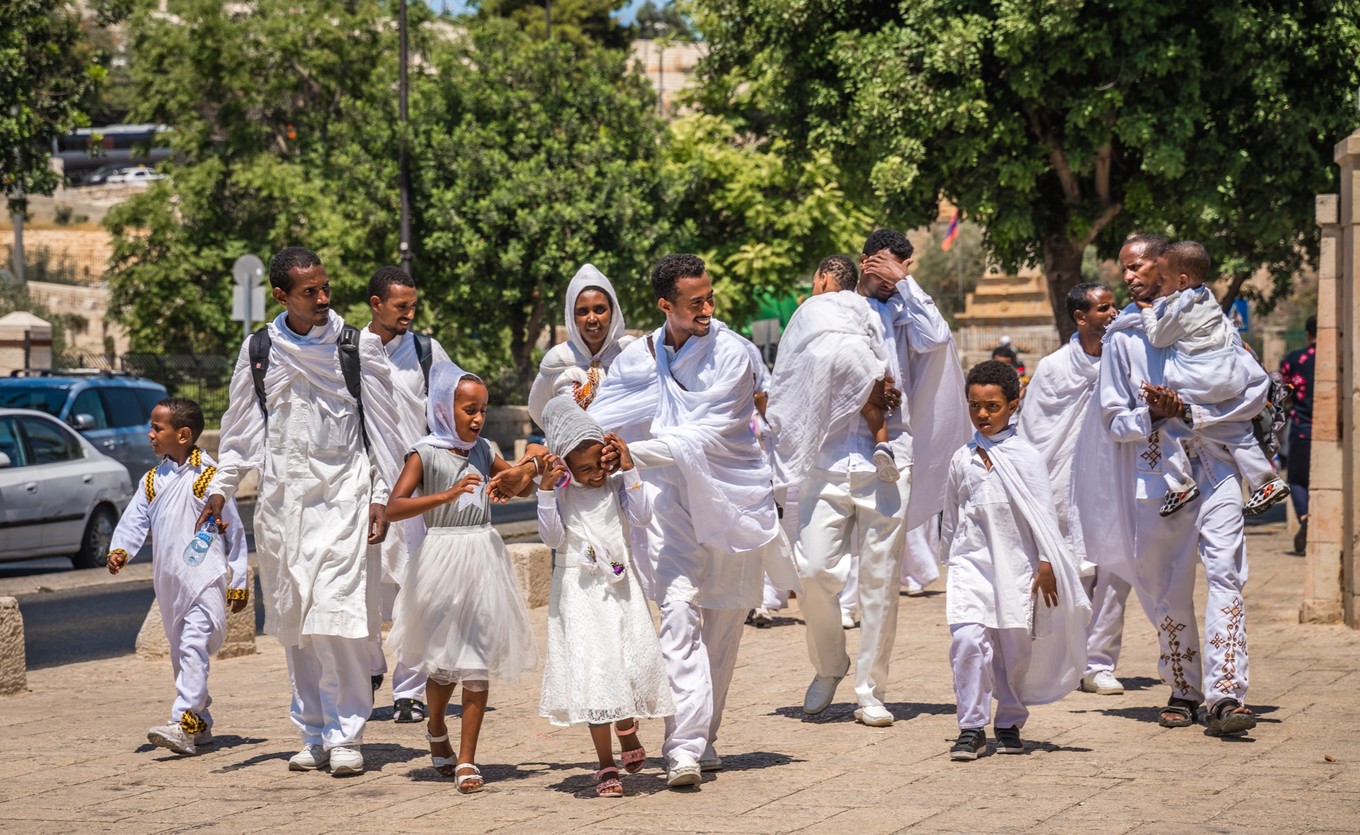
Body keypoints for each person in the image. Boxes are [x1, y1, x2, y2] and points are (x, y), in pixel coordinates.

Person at [588, 253, 798, 787]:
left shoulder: (733, 354)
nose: (707, 308)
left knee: (722, 630)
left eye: (710, 297)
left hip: (731, 503)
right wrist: (576, 448)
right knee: (679, 614)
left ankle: (703, 738)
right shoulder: (638, 358)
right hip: (667, 508)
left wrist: (632, 454)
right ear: (666, 306)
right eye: (694, 302)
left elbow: (704, 434)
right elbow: (601, 417)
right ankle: (681, 747)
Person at [201, 246, 406, 776]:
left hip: (345, 502)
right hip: (282, 510)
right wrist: (221, 490)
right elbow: (241, 431)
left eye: (324, 288)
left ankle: (347, 736)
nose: (321, 298)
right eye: (308, 291)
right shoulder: (259, 351)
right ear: (280, 296)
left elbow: (385, 434)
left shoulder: (356, 347)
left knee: (338, 620)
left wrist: (383, 497)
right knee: (296, 625)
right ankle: (312, 731)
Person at [770, 228, 967, 728]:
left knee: (880, 581)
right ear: (864, 262)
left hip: (889, 458)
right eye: (884, 265)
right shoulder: (825, 310)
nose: (890, 276)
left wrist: (907, 285)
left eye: (901, 266)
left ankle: (870, 689)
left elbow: (938, 340)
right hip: (828, 455)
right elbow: (796, 371)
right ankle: (829, 664)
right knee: (812, 570)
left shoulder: (904, 312)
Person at [1098, 234, 1263, 737]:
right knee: (1167, 584)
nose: (1129, 276)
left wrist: (1190, 411)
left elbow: (1253, 390)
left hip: (1217, 467)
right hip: (1160, 478)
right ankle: (1182, 686)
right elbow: (1112, 419)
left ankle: (1226, 693)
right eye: (1123, 268)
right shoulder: (1123, 338)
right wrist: (1152, 413)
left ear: (1168, 270)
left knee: (1225, 571)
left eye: (1139, 266)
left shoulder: (1212, 324)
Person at [385, 363, 541, 793]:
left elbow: (520, 485)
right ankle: (436, 727)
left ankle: (467, 760)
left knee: (475, 662)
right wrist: (446, 495)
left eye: (482, 410)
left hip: (483, 557)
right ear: (443, 407)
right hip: (441, 556)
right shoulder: (425, 452)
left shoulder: (483, 448)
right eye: (469, 409)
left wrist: (518, 476)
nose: (477, 418)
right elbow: (394, 506)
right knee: (441, 663)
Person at [940, 361, 1089, 761]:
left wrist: (1046, 564)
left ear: (1013, 404)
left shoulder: (1026, 456)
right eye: (974, 406)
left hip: (1018, 567)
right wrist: (949, 562)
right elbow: (953, 515)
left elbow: (1042, 512)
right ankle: (971, 726)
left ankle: (1008, 720)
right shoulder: (962, 458)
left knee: (1013, 651)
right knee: (967, 641)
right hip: (971, 564)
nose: (983, 415)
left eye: (992, 406)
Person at [535, 395, 674, 798]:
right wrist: (545, 493)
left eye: (600, 464)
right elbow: (553, 538)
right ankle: (604, 762)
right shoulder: (561, 492)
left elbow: (644, 516)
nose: (594, 474)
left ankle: (627, 729)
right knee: (595, 671)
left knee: (625, 660)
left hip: (620, 587)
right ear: (564, 465)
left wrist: (628, 468)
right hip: (578, 592)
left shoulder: (614, 484)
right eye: (584, 469)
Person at [107, 397, 249, 756]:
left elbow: (235, 532)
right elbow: (135, 519)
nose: (150, 434)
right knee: (183, 653)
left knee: (192, 645)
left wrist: (239, 580)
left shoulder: (212, 477)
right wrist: (121, 549)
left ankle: (183, 720)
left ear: (183, 434)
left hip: (204, 577)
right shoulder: (153, 480)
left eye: (158, 428)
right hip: (169, 582)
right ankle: (200, 724)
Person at [1017, 282, 1132, 696]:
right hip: (1062, 485)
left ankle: (1100, 663)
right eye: (1103, 308)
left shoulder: (1127, 361)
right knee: (1071, 577)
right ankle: (1068, 658)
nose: (1113, 313)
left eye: (1114, 305)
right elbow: (1035, 433)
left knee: (1116, 573)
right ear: (1081, 317)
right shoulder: (1053, 367)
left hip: (1115, 480)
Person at [363, 265, 454, 725]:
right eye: (401, 306)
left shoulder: (424, 350)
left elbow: (453, 401)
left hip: (413, 486)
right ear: (376, 304)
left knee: (416, 589)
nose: (409, 314)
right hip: (361, 487)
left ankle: (410, 688)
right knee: (363, 585)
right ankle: (370, 667)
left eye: (413, 306)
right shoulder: (350, 351)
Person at [1138, 241, 1286, 517]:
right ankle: (1265, 482)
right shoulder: (1206, 298)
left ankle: (1180, 485)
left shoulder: (1181, 306)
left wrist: (1146, 310)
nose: (1159, 284)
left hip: (1201, 380)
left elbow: (1158, 337)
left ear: (1182, 281)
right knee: (1231, 430)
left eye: (1163, 279)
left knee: (1169, 419)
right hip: (1227, 376)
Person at [527, 264, 637, 426]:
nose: (592, 319)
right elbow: (539, 411)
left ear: (613, 313)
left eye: (599, 309)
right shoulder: (557, 361)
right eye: (583, 312)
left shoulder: (632, 354)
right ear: (573, 318)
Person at [1280, 315, 1317, 555]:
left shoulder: (1293, 360)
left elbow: (1281, 393)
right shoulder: (1343, 357)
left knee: (1297, 480)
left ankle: (1305, 516)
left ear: (1307, 333)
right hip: (1338, 431)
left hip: (1302, 430)